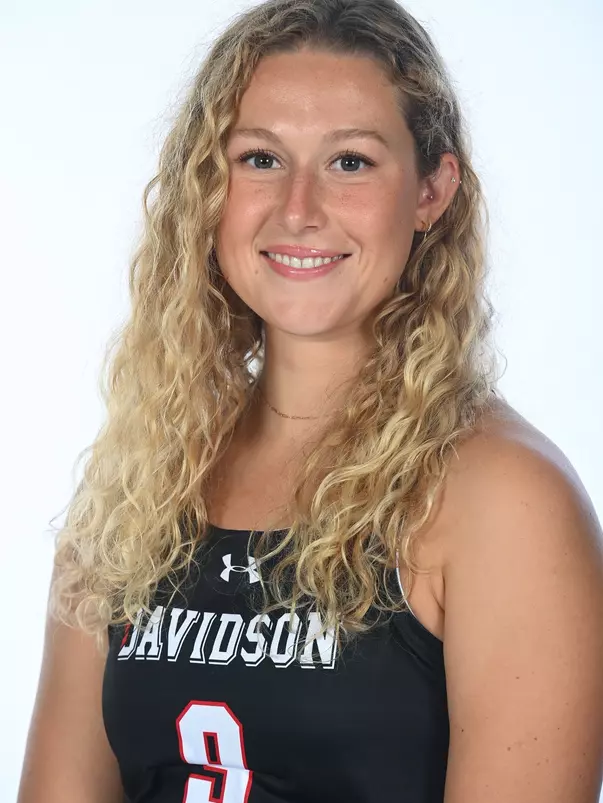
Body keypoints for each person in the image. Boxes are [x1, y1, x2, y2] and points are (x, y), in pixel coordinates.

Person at [17, 0, 603, 801]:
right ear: (207, 187)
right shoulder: (138, 482)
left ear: (432, 192)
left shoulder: (501, 496)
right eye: (259, 158)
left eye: (350, 162)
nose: (298, 209)